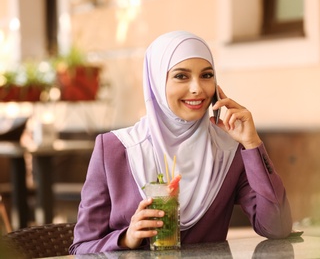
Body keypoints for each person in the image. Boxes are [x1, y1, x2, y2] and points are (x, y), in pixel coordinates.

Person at [69, 30, 292, 254]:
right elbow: (81, 248)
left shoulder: (228, 152)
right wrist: (127, 237)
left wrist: (252, 143)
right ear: (156, 81)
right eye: (181, 76)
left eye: (206, 76)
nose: (197, 88)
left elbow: (278, 227)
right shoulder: (115, 149)